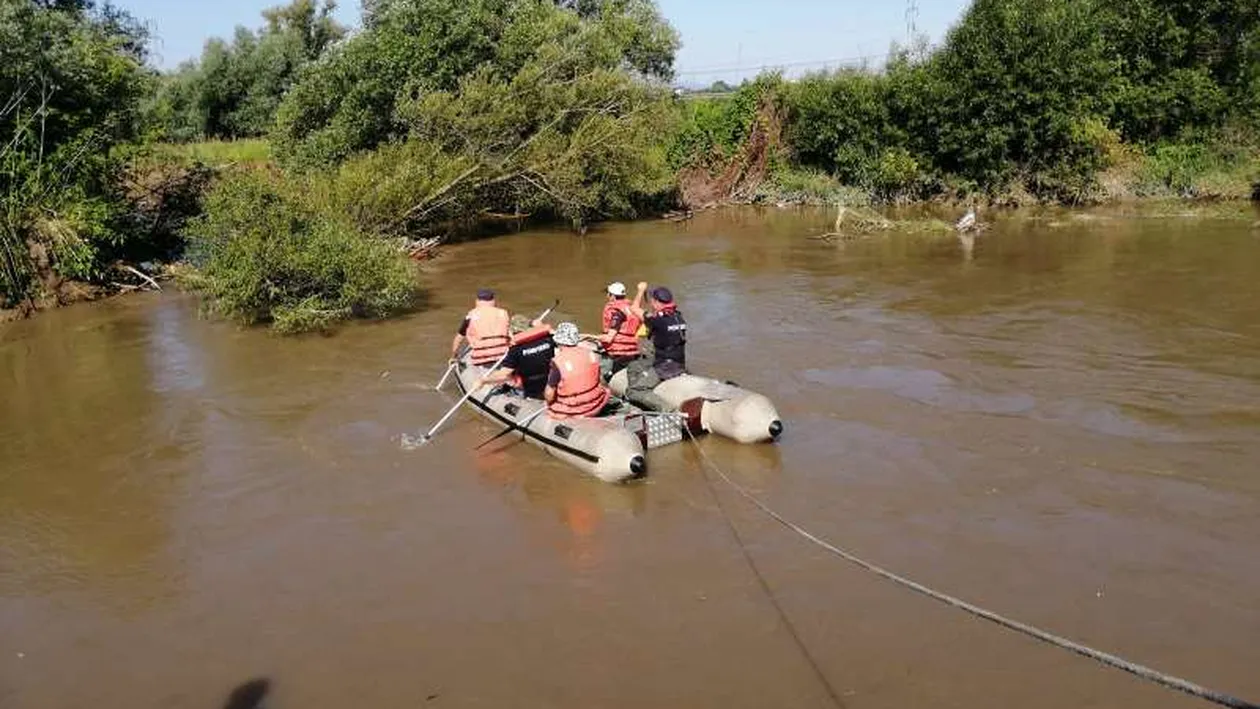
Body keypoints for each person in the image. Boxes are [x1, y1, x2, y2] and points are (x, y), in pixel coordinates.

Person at [622, 282, 687, 410]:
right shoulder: (679, 316)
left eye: (652, 301)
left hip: (664, 367)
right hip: (679, 363)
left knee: (634, 389)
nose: (651, 304)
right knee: (635, 366)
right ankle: (643, 401)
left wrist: (641, 290)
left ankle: (668, 410)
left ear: (657, 302)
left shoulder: (656, 320)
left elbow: (634, 309)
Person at [545, 322, 613, 419]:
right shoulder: (591, 354)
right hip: (596, 404)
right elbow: (599, 380)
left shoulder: (558, 362)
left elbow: (549, 396)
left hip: (573, 410)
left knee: (549, 401)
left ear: (558, 341)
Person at [479, 315, 556, 399]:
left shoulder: (515, 350)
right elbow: (558, 335)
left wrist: (483, 381)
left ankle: (516, 393)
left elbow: (503, 374)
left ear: (514, 331)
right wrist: (542, 327)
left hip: (529, 388)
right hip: (550, 382)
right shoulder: (548, 339)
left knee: (508, 377)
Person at [451, 289, 510, 367]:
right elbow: (509, 335)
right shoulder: (503, 313)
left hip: (480, 358)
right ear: (493, 301)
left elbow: (458, 339)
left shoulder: (471, 316)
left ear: (477, 301)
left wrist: (453, 357)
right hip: (503, 355)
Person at [597, 281, 642, 374]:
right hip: (633, 349)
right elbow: (638, 303)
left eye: (608, 294)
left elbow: (609, 338)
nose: (607, 296)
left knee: (602, 372)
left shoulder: (617, 313)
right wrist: (641, 290)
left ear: (612, 296)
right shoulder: (632, 307)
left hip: (617, 352)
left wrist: (587, 336)